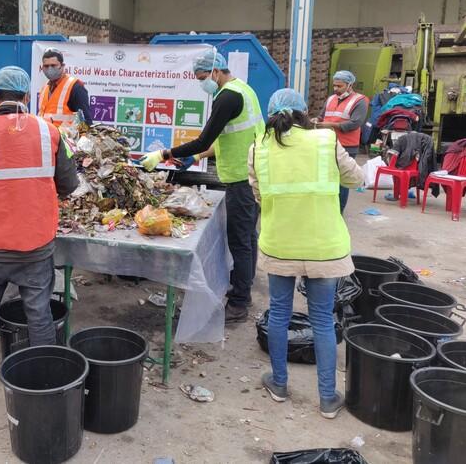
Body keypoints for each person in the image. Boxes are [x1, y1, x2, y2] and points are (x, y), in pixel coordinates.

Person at [0, 66, 79, 396]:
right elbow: (69, 183)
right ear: (26, 96)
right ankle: (43, 380)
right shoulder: (49, 131)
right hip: (35, 245)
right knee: (38, 312)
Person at [250, 88, 363, 419]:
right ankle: (327, 398)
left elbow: (258, 194)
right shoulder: (326, 141)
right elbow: (355, 179)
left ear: (271, 114)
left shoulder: (259, 148)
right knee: (322, 320)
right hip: (323, 246)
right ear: (304, 112)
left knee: (279, 315)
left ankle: (279, 384)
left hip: (280, 243)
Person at [140, 47, 264, 323]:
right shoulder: (243, 89)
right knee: (248, 238)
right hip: (253, 175)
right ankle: (243, 286)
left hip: (241, 180)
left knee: (240, 241)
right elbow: (228, 138)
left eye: (202, 78)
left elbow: (204, 140)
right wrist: (195, 158)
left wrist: (163, 154)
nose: (201, 83)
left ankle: (239, 302)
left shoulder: (227, 97)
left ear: (216, 71)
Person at [314, 70, 368, 213]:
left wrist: (329, 125)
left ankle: (338, 212)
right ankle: (328, 210)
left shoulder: (360, 101)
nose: (336, 89)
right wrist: (316, 120)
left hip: (347, 146)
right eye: (334, 85)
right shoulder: (331, 99)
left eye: (339, 86)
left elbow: (355, 123)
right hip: (328, 143)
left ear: (350, 85)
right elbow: (321, 116)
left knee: (342, 181)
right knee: (327, 177)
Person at [38, 47, 93, 126]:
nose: (50, 69)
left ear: (63, 66)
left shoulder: (75, 87)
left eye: (53, 65)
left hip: (65, 134)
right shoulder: (44, 88)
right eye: (46, 66)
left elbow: (86, 123)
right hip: (46, 133)